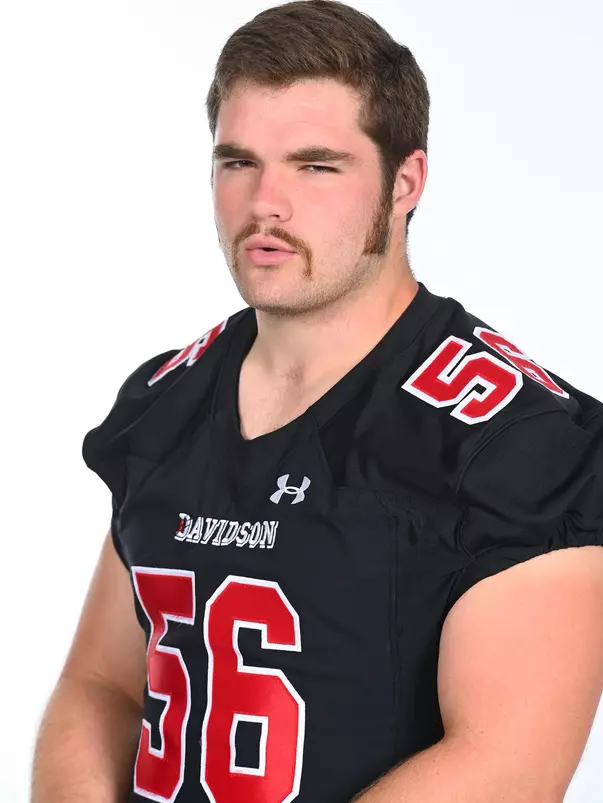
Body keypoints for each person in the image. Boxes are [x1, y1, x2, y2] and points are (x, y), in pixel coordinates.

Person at [32, 2, 603, 802]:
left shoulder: (518, 438)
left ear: (404, 181)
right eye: (237, 163)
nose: (266, 202)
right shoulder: (167, 400)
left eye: (315, 166)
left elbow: (506, 763)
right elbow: (102, 685)